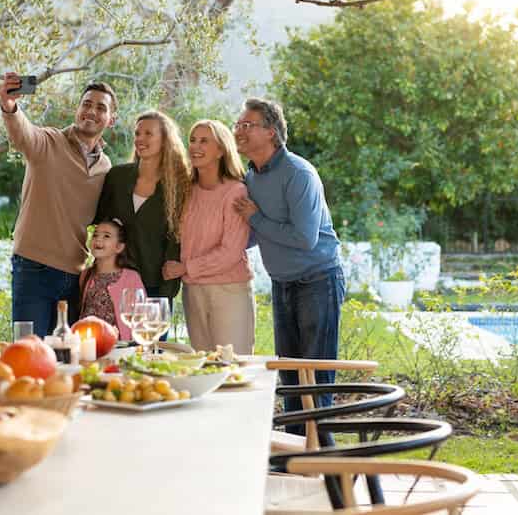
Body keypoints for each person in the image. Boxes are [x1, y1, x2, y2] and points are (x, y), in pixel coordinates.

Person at [232, 97, 343, 423]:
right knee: (291, 377)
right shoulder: (251, 178)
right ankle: (296, 457)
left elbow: (304, 239)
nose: (239, 131)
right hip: (283, 284)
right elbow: (256, 234)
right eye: (238, 125)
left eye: (247, 125)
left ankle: (325, 463)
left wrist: (255, 218)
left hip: (317, 282)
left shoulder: (298, 173)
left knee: (316, 379)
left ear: (271, 133)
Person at [0, 72, 115, 337]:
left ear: (111, 119)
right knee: (30, 352)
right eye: (86, 104)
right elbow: (22, 133)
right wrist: (10, 107)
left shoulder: (105, 167)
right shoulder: (48, 142)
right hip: (33, 268)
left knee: (66, 357)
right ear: (77, 109)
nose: (91, 111)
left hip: (74, 275)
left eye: (100, 107)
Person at [162, 120, 253, 354]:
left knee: (233, 366)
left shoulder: (236, 192)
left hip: (229, 290)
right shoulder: (186, 191)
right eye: (192, 140)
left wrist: (184, 268)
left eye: (204, 141)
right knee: (202, 366)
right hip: (193, 291)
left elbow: (231, 252)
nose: (195, 146)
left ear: (221, 150)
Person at [96, 110, 191, 308]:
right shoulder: (117, 177)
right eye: (137, 134)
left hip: (156, 288)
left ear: (165, 140)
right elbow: (102, 223)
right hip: (115, 281)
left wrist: (168, 288)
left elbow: (179, 238)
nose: (140, 139)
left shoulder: (181, 185)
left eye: (148, 134)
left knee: (151, 340)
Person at [78, 219, 145, 342]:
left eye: (106, 236)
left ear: (119, 247)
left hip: (119, 347)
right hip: (88, 345)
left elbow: (141, 319)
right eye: (95, 235)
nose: (98, 239)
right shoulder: (85, 274)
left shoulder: (131, 278)